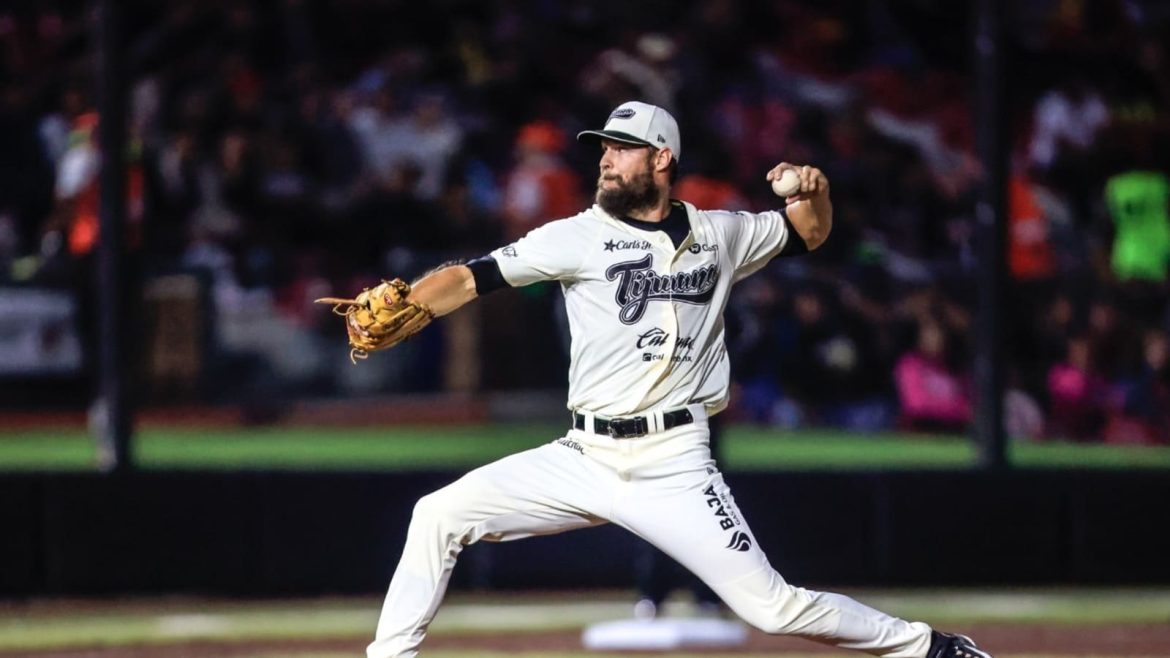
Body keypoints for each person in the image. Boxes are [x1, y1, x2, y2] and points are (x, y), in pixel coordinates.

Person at [344, 101, 992, 658]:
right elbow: (471, 276)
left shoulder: (722, 234)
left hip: (674, 461)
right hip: (584, 455)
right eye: (602, 148)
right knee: (437, 514)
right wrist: (416, 303)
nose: (605, 160)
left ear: (660, 158)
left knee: (774, 609)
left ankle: (930, 648)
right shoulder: (575, 237)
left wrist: (812, 191)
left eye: (621, 149)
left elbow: (809, 233)